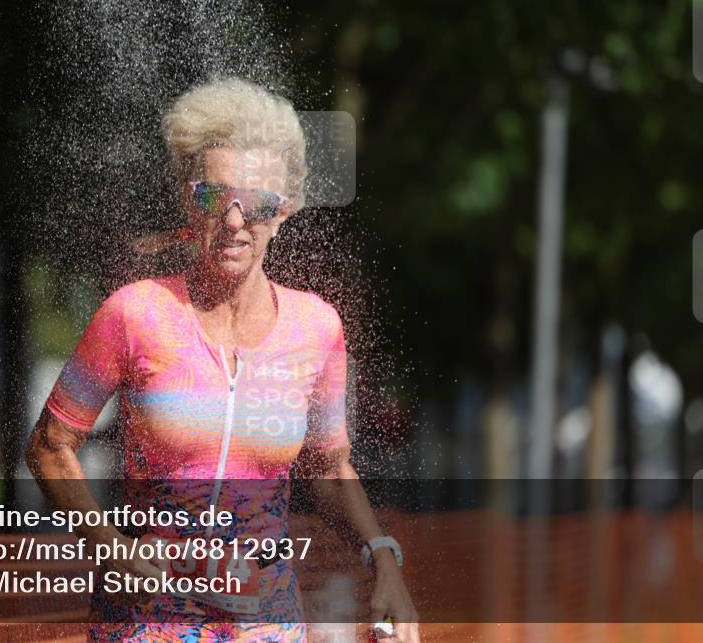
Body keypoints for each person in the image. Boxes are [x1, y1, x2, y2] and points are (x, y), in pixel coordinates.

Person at [27, 77, 418, 642]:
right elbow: (49, 446)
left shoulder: (317, 329)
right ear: (189, 199)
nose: (236, 221)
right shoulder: (135, 314)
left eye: (258, 204)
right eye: (214, 197)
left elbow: (329, 470)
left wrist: (385, 562)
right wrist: (111, 549)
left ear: (286, 209)